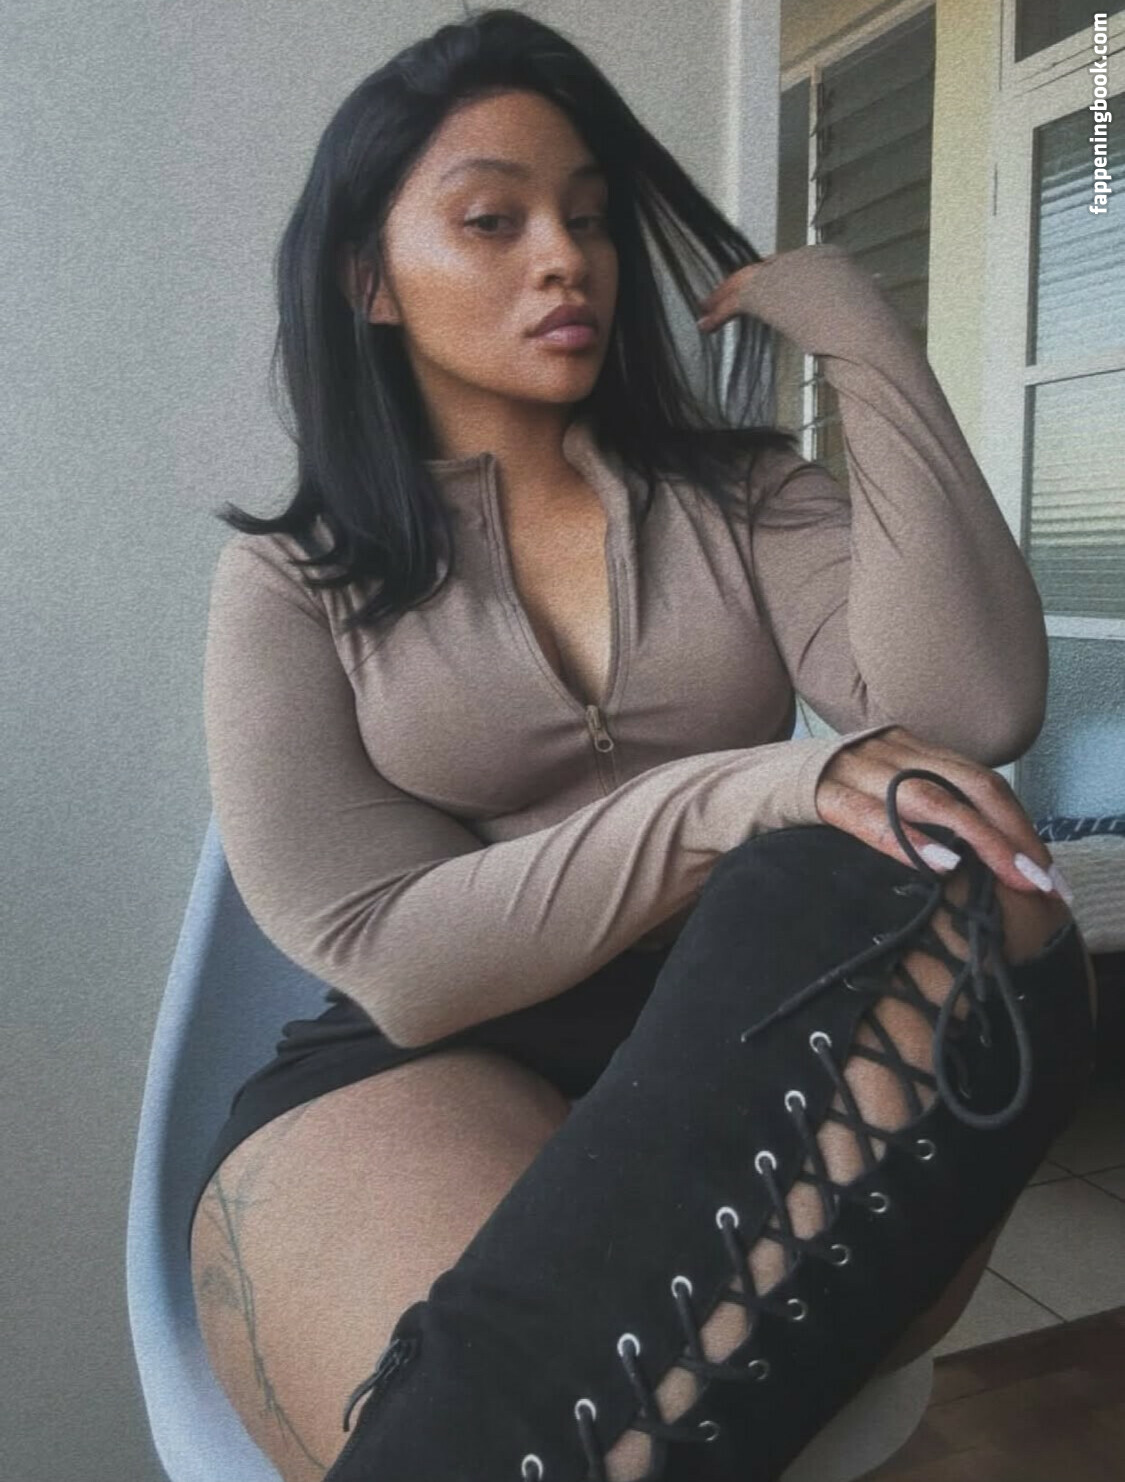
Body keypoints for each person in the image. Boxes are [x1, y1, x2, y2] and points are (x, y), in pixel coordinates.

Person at [188, 9, 1097, 1481]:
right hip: (440, 1052)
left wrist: (864, 340)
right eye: (493, 219)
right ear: (369, 279)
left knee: (947, 842)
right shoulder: (297, 580)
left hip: (763, 1017)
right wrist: (747, 791)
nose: (568, 258)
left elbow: (973, 707)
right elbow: (395, 954)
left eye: (593, 217)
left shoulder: (742, 498)